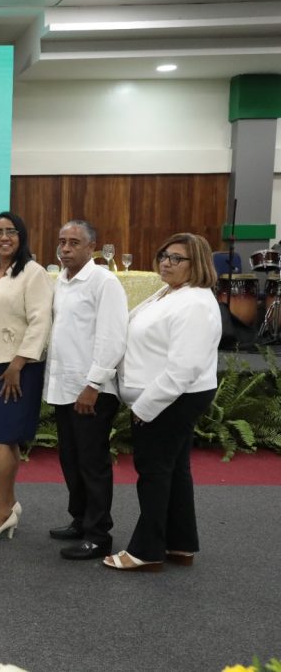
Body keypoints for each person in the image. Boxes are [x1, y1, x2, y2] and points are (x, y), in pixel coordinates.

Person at [104, 233, 221, 571]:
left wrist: (145, 407)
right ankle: (181, 544)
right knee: (176, 472)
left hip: (172, 397)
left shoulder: (196, 303)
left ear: (196, 263)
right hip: (169, 396)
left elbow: (184, 368)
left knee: (154, 473)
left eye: (176, 258)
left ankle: (147, 550)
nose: (166, 263)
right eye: (164, 255)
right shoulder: (172, 292)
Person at [44, 220, 128, 559]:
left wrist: (93, 384)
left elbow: (112, 337)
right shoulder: (61, 282)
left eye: (73, 243)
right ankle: (80, 520)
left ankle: (98, 535)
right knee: (70, 459)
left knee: (92, 463)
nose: (65, 248)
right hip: (65, 386)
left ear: (91, 247)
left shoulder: (103, 282)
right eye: (62, 242)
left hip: (90, 390)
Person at [0, 211, 53, 541]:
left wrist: (18, 364)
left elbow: (40, 320)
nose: (4, 237)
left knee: (0, 437)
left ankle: (2, 511)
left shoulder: (33, 273)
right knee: (1, 437)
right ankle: (9, 503)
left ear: (22, 236)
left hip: (13, 368)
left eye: (11, 231)